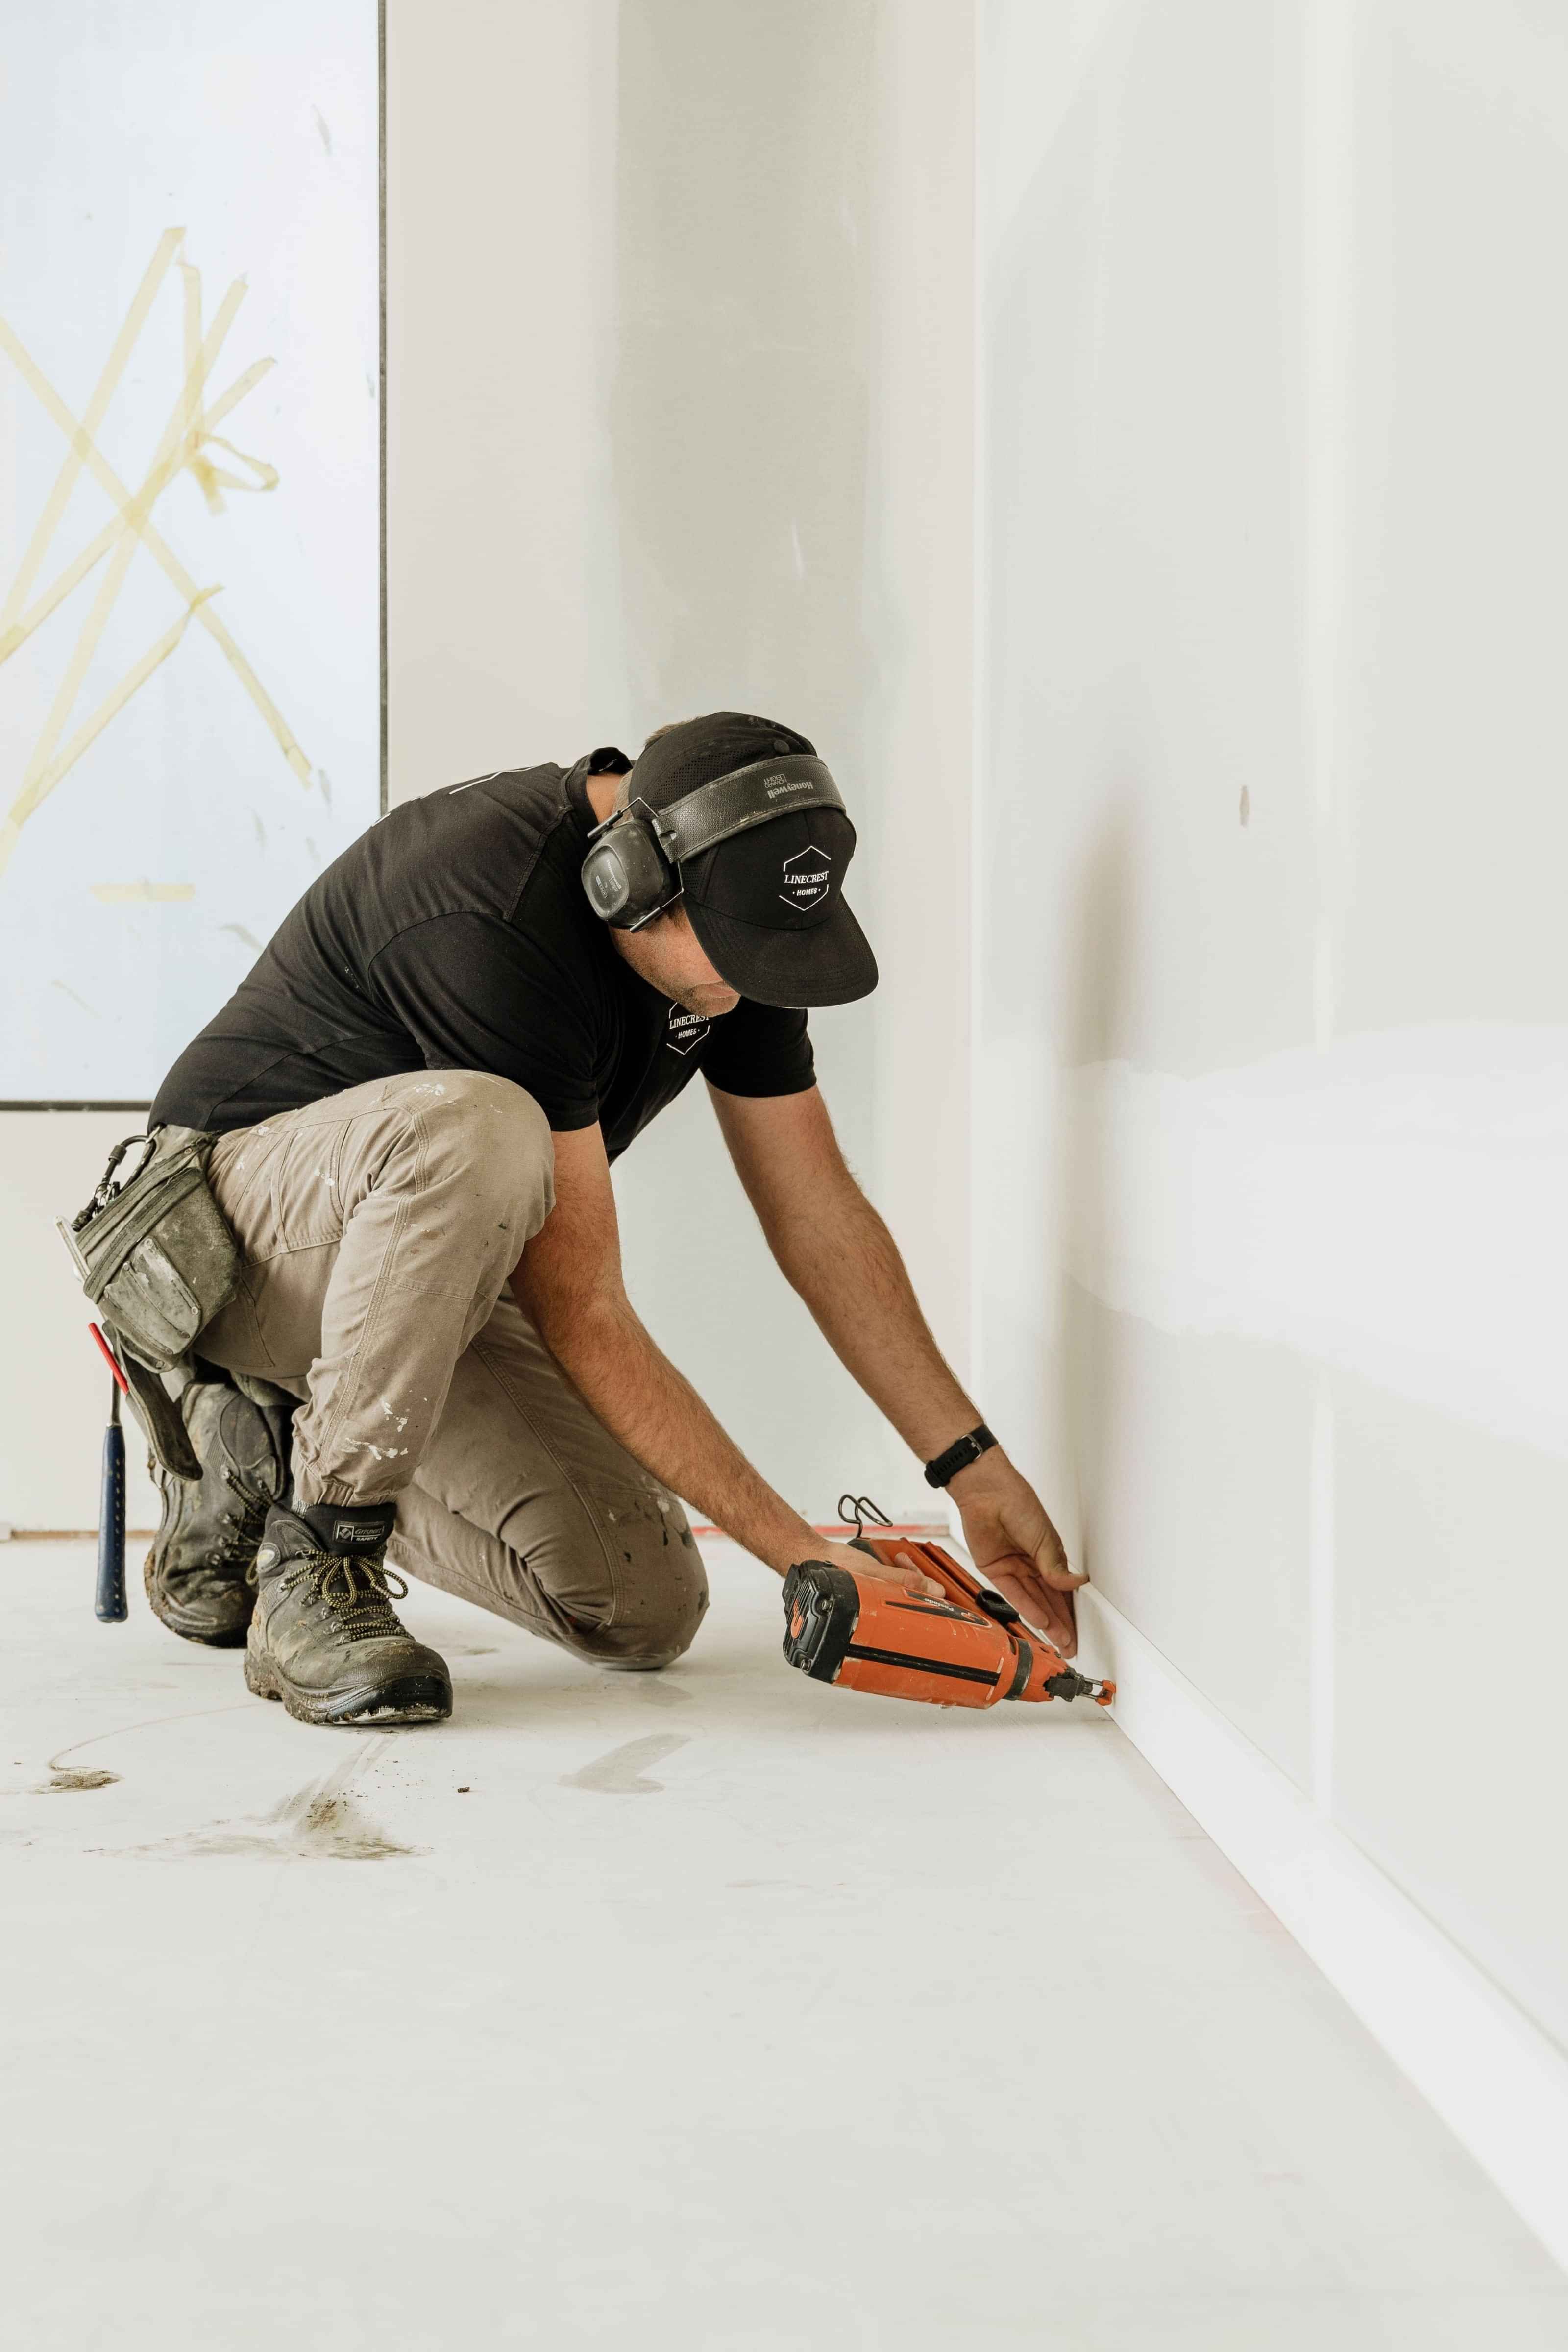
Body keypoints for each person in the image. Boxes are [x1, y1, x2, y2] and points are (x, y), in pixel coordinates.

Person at [145, 710, 1083, 1728]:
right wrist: (807, 1556)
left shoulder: (736, 913)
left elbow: (819, 1217)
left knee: (640, 1609)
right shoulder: (487, 910)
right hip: (226, 1240)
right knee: (480, 1126)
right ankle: (320, 1553)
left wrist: (971, 1471)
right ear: (626, 883)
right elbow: (584, 1306)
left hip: (417, 1273)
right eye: (729, 951)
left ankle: (265, 1448)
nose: (744, 984)